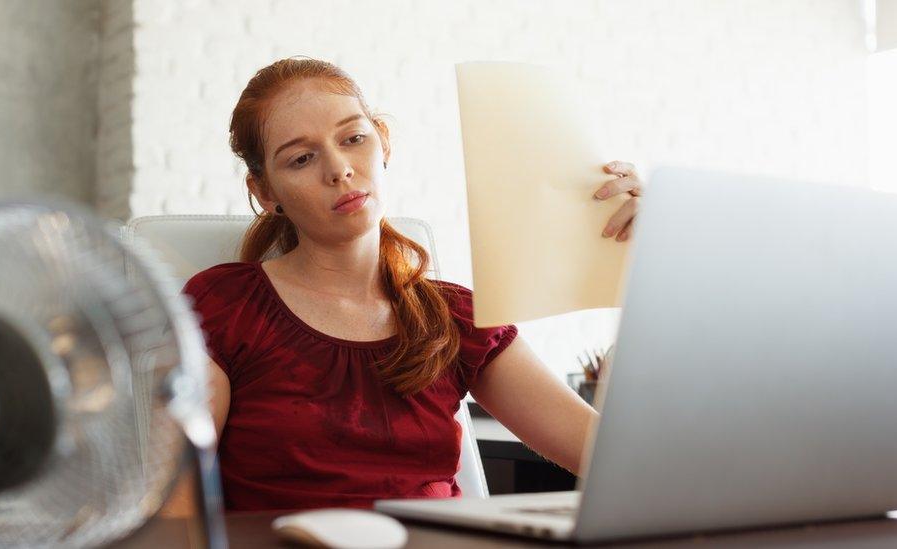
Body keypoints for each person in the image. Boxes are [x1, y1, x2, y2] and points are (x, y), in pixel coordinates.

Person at [182, 57, 644, 511]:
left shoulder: (456, 318)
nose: (340, 169)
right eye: (302, 158)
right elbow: (173, 509)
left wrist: (661, 250)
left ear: (382, 143)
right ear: (265, 193)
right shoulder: (223, 307)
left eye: (354, 138)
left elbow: (617, 461)